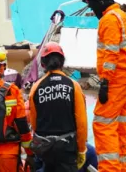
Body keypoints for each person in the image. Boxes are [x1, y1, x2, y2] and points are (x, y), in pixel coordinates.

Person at [82, 0, 126, 172]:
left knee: (102, 122)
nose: (92, 10)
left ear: (100, 1)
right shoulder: (123, 16)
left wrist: (105, 80)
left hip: (116, 78)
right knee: (123, 124)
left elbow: (111, 52)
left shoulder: (109, 19)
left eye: (91, 5)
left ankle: (110, 169)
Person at [28, 42, 88, 171]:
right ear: (62, 62)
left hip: (46, 149)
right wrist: (82, 149)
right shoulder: (73, 85)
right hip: (67, 149)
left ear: (43, 64)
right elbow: (81, 122)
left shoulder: (36, 87)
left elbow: (34, 122)